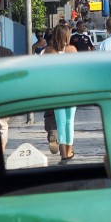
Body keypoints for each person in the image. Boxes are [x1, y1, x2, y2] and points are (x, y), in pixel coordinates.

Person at [44, 25, 79, 161]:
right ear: (66, 35)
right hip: (71, 89)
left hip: (55, 90)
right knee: (70, 122)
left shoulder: (48, 51)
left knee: (60, 122)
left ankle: (63, 153)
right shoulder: (72, 50)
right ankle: (69, 152)